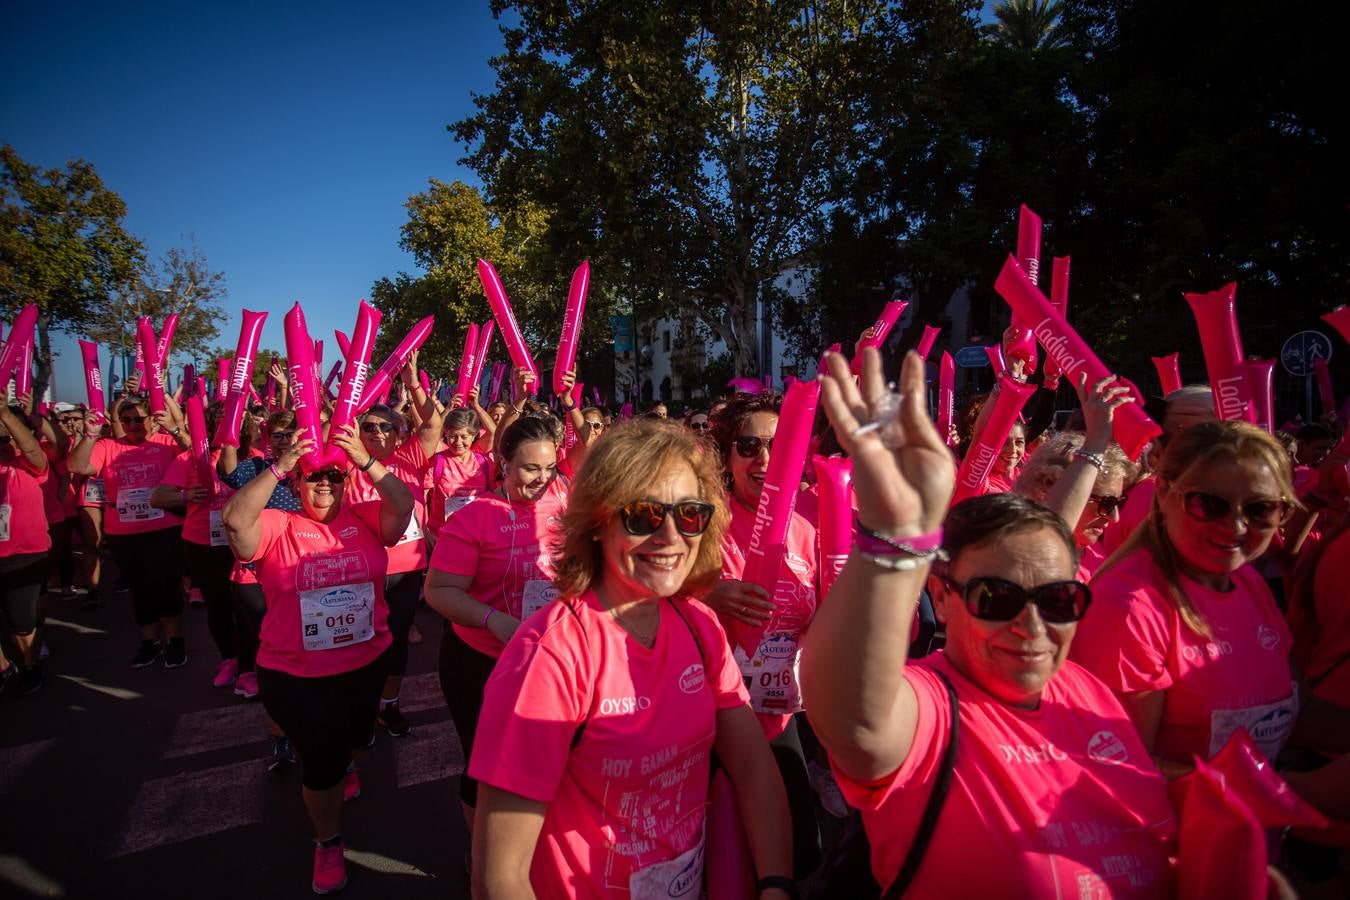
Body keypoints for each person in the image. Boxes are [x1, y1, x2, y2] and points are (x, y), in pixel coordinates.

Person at [801, 348, 1177, 897]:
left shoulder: (1089, 695)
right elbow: (856, 722)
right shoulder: (931, 707)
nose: (1031, 625)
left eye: (1058, 601)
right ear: (943, 595)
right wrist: (895, 538)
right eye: (996, 598)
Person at [469, 418, 794, 898]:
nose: (670, 537)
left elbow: (752, 768)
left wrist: (777, 884)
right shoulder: (551, 655)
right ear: (598, 522)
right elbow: (500, 877)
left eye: (689, 514)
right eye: (643, 516)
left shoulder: (699, 627)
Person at [1071, 421, 1350, 776]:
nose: (1235, 526)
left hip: (1258, 826)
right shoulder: (1128, 607)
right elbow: (1121, 765)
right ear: (1163, 493)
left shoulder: (1246, 581)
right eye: (1208, 504)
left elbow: (1298, 711)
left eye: (1260, 509)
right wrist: (1288, 792)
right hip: (1175, 830)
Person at [221, 426, 413, 895]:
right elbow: (234, 522)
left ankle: (346, 762)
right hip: (297, 674)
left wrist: (365, 459)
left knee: (352, 739)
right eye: (313, 478)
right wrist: (281, 465)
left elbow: (403, 506)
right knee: (321, 761)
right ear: (295, 484)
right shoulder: (276, 524)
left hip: (366, 664)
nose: (324, 484)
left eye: (333, 476)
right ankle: (328, 841)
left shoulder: (364, 518)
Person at [424, 412, 570, 830]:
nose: (541, 478)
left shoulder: (564, 502)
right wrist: (493, 621)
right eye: (529, 468)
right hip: (482, 659)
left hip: (549, 657)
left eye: (548, 468)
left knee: (548, 755)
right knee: (485, 765)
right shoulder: (474, 518)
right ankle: (481, 856)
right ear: (503, 464)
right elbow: (439, 591)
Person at [703, 390, 825, 869]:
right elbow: (642, 587)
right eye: (749, 446)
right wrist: (706, 594)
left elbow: (821, 615)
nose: (765, 459)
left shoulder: (807, 530)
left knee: (798, 855)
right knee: (718, 863)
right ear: (728, 456)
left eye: (777, 445)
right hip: (705, 721)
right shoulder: (700, 522)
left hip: (776, 718)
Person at [67, 396, 192, 668]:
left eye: (139, 419)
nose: (134, 424)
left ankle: (174, 639)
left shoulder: (164, 443)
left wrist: (173, 428)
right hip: (124, 533)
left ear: (151, 420)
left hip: (164, 528)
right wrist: (89, 435)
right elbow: (77, 467)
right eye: (127, 420)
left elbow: (194, 452)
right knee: (140, 588)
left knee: (165, 585)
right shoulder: (107, 445)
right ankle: (150, 640)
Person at [346, 394, 437, 737]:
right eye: (369, 426)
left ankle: (389, 703)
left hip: (405, 568)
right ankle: (362, 706)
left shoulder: (410, 457)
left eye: (387, 427)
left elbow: (432, 425)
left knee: (396, 638)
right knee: (359, 640)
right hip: (360, 570)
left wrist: (413, 385)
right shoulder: (346, 462)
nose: (378, 433)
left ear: (399, 434)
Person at [151, 401, 241, 689]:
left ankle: (254, 661)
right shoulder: (190, 459)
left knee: (250, 605)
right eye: (223, 424)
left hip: (246, 544)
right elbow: (158, 498)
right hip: (205, 545)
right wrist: (187, 495)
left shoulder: (252, 457)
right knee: (219, 605)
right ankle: (230, 658)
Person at [1015, 373, 1137, 581]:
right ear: (1052, 488)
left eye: (1118, 502)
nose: (1114, 517)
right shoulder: (1024, 556)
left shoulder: (1098, 554)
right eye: (1106, 502)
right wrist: (1095, 442)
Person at [0, 397, 52, 696]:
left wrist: (6, 414)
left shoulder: (27, 465)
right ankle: (5, 668)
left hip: (24, 555)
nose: (3, 444)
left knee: (22, 621)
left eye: (6, 437)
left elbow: (34, 451)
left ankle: (30, 664)